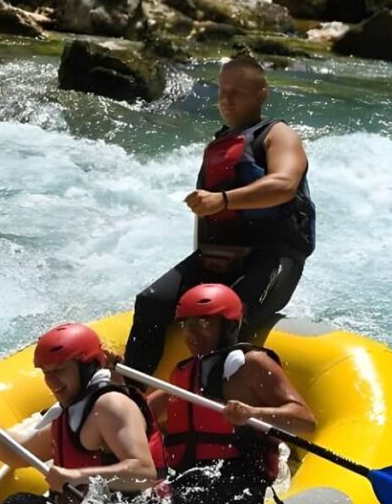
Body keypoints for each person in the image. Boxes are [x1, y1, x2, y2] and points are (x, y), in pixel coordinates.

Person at [124, 53, 315, 374]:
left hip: (272, 258)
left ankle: (216, 396)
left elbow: (284, 185)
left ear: (262, 94)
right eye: (222, 91)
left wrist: (223, 200)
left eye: (236, 93)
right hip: (218, 256)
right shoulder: (221, 143)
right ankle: (133, 389)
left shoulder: (278, 134)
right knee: (151, 301)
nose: (226, 100)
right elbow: (208, 220)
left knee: (224, 320)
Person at [146, 283, 316, 504]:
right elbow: (139, 414)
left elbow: (306, 421)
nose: (192, 334)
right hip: (189, 481)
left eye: (204, 323)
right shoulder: (186, 372)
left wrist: (253, 413)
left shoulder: (253, 364)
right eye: (187, 325)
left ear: (228, 327)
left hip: (238, 487)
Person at [0, 322, 160, 504]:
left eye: (60, 370)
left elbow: (144, 472)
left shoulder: (111, 405)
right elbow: (16, 452)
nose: (52, 381)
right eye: (46, 372)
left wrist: (77, 475)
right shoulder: (74, 412)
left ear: (85, 366)